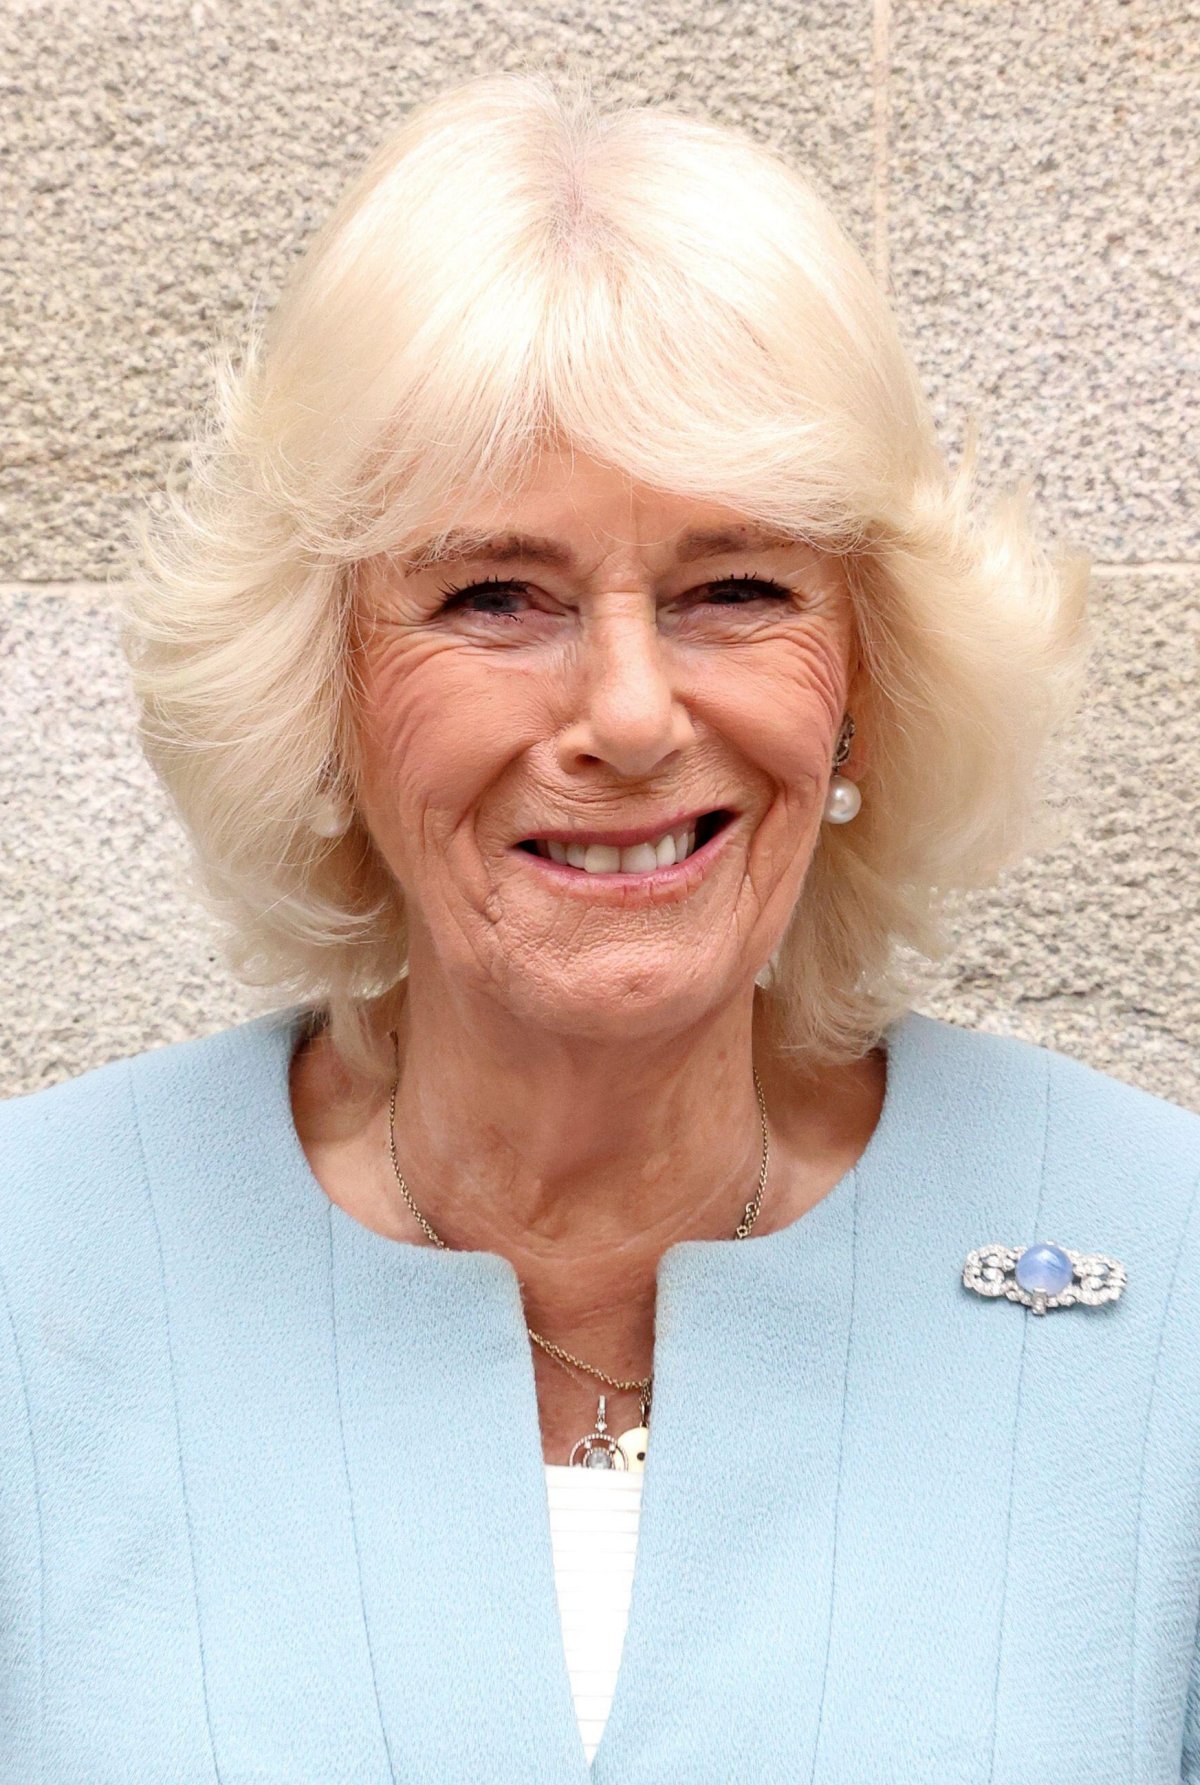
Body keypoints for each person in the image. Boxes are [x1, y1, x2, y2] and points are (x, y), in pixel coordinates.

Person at [2, 68, 1198, 1784]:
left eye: (738, 589)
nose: (632, 713)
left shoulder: (1166, 1285)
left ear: (867, 682)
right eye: (496, 594)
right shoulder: (28, 1273)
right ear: (322, 688)